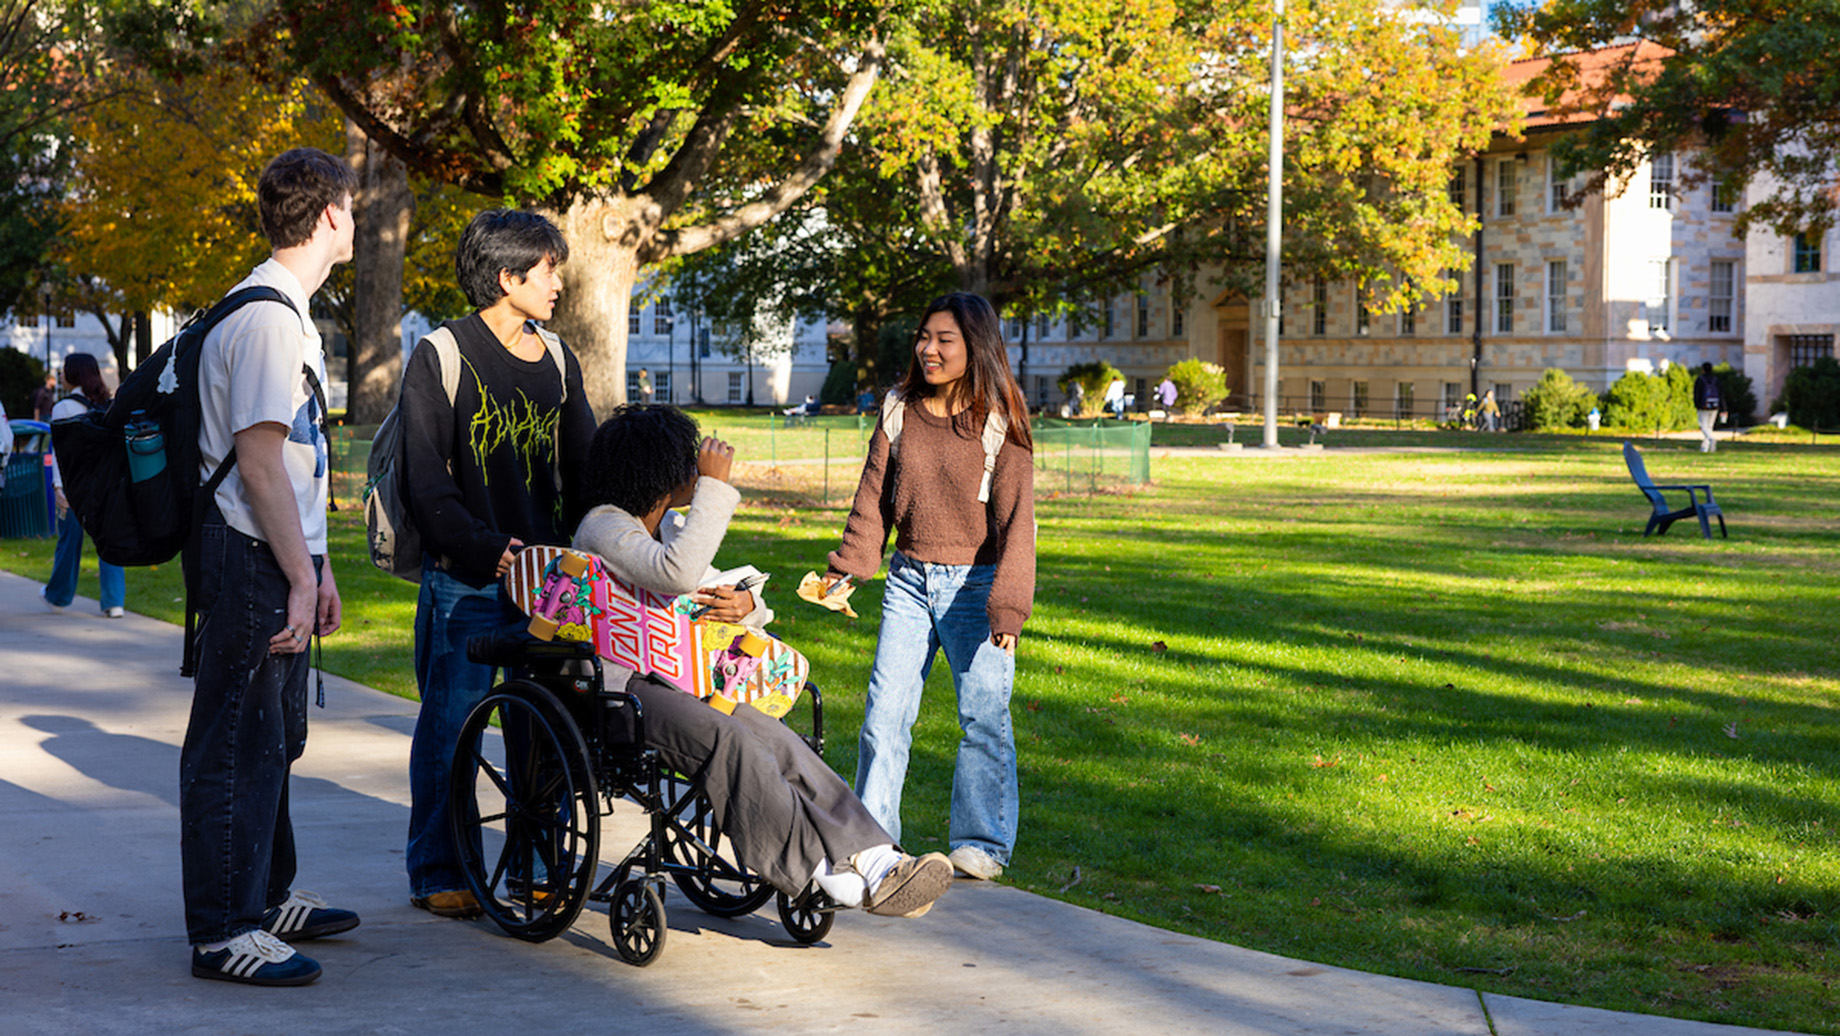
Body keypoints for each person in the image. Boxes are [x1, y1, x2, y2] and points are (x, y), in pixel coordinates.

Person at [573, 405, 954, 917]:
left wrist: (749, 607)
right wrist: (715, 489)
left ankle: (878, 859)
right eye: (686, 462)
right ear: (656, 472)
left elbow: (705, 584)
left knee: (779, 740)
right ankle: (824, 872)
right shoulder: (603, 528)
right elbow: (679, 574)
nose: (696, 468)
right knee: (728, 738)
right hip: (624, 690)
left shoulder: (667, 529)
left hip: (680, 682)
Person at [182, 147, 358, 987]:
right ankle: (224, 930)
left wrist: (316, 568)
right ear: (329, 216)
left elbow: (296, 466)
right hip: (246, 554)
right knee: (235, 745)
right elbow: (257, 464)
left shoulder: (287, 312)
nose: (353, 222)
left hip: (274, 554)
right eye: (351, 209)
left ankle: (268, 893)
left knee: (275, 739)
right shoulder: (265, 319)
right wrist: (295, 573)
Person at [400, 209, 596, 920]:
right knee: (452, 728)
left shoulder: (561, 360)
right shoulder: (442, 355)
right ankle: (439, 869)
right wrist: (492, 551)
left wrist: (582, 555)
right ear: (508, 276)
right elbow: (427, 484)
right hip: (467, 581)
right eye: (547, 269)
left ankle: (538, 867)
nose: (558, 282)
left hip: (549, 588)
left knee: (544, 730)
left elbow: (584, 474)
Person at [820, 292, 1036, 882]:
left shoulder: (1001, 421)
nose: (929, 349)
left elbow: (1018, 525)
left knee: (983, 718)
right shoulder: (898, 408)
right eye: (924, 336)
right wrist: (849, 567)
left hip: (978, 584)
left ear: (976, 347)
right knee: (883, 715)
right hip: (909, 582)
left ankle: (982, 844)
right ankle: (874, 841)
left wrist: (1009, 608)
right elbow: (873, 498)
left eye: (945, 339)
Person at [42, 353, 126, 617]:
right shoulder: (109, 405)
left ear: (73, 374)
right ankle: (114, 602)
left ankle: (58, 597)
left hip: (75, 486)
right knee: (109, 542)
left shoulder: (63, 408)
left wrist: (58, 487)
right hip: (107, 487)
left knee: (69, 542)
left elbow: (60, 453)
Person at [1694, 362, 1723, 453]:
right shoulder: (1716, 380)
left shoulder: (1700, 379)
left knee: (1703, 426)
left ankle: (1710, 439)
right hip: (1714, 406)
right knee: (1709, 426)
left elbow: (1696, 393)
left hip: (1703, 406)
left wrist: (1697, 405)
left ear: (1703, 369)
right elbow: (1721, 394)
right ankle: (1705, 447)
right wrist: (1723, 407)